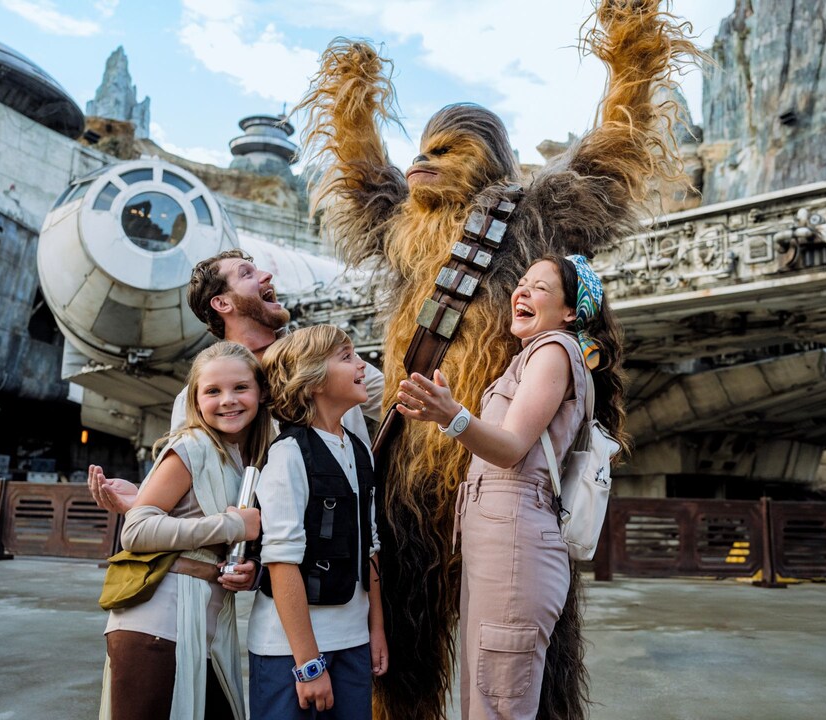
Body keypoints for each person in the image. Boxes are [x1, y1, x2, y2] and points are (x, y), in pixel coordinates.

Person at [293, 4, 700, 715]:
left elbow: (609, 152)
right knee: (403, 661)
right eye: (422, 147)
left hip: (512, 490)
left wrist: (631, 56)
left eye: (446, 150)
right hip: (414, 475)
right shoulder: (404, 226)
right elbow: (362, 176)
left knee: (528, 666)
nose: (423, 161)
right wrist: (354, 94)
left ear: (489, 159)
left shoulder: (534, 212)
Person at [396, 255, 627, 720]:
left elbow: (510, 448)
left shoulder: (554, 351)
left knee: (497, 704)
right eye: (521, 283)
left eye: (539, 287)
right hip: (503, 540)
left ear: (569, 311)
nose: (521, 292)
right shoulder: (534, 355)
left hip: (516, 543)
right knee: (487, 696)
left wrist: (451, 415)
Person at [89, 249, 384, 590]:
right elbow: (211, 491)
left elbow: (400, 398)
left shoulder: (323, 356)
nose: (266, 276)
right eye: (247, 274)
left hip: (364, 551)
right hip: (285, 575)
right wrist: (148, 498)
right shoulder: (196, 399)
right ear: (222, 304)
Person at [98, 341, 272, 720]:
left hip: (204, 626)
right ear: (196, 400)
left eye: (240, 387)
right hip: (156, 626)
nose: (228, 400)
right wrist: (231, 525)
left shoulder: (247, 457)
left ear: (260, 391)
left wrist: (250, 571)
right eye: (213, 391)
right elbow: (136, 530)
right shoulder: (191, 446)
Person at [251, 325, 388, 719]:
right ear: (311, 380)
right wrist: (309, 664)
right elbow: (280, 562)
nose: (363, 365)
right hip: (289, 655)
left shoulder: (359, 450)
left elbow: (371, 546)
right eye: (346, 357)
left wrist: (374, 630)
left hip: (354, 644)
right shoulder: (289, 454)